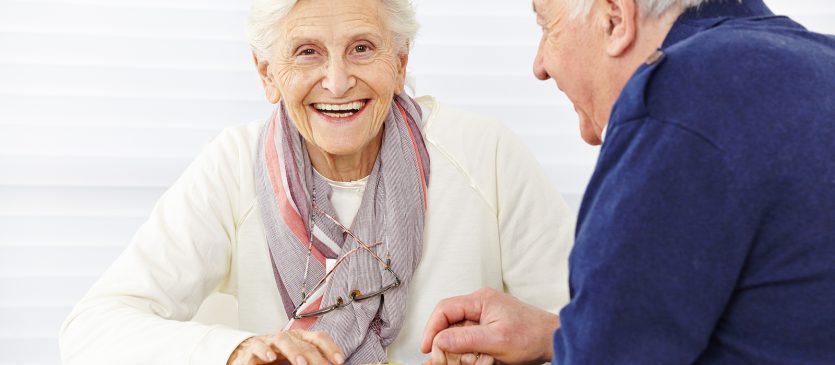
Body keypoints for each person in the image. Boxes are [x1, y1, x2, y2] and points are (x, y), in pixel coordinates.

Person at [58, 0, 576, 364]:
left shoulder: (485, 154)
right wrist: (233, 351)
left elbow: (587, 327)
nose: (336, 81)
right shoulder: (231, 165)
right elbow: (92, 331)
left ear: (400, 63)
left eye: (362, 48)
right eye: (307, 51)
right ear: (266, 73)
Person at [421, 0, 835, 363]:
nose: (539, 65)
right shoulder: (817, 60)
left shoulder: (680, 97)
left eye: (546, 26)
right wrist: (556, 336)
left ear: (616, 19)